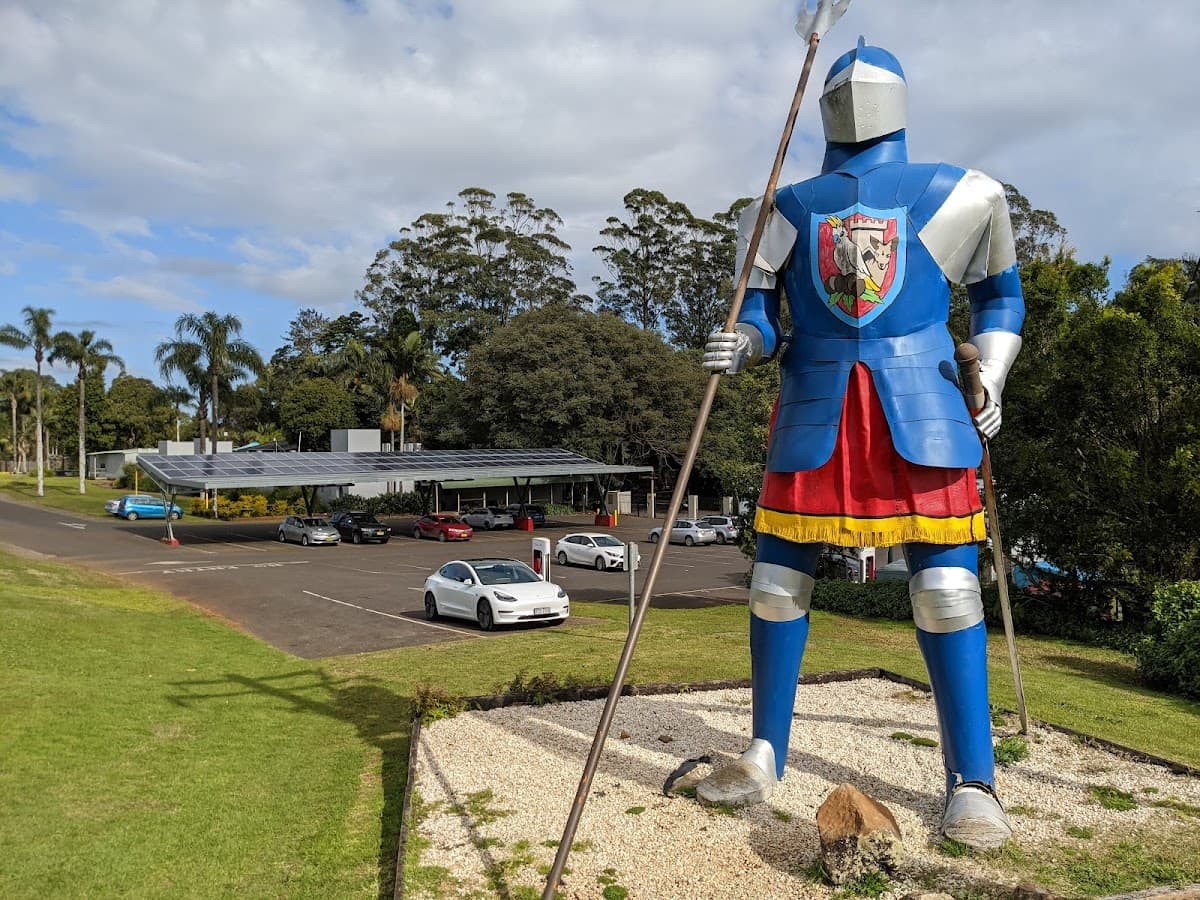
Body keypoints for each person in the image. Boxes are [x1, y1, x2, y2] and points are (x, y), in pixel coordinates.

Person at [699, 38, 1025, 850]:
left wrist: (996, 378)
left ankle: (972, 778)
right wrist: (740, 342)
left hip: (924, 401)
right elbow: (764, 316)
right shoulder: (783, 205)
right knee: (776, 585)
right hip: (813, 399)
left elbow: (1000, 298)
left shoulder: (964, 193)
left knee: (946, 592)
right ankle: (764, 750)